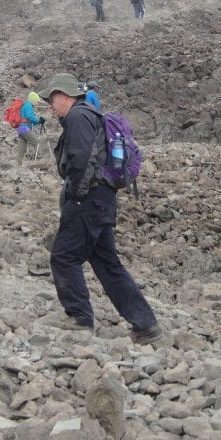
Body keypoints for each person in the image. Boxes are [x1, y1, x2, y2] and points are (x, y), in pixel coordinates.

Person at [38, 72, 162, 342]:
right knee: (107, 263)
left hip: (89, 199)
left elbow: (81, 159)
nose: (50, 106)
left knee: (63, 256)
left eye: (52, 99)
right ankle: (145, 325)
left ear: (65, 95)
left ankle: (79, 318)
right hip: (103, 199)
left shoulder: (78, 116)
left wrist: (76, 196)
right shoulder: (90, 115)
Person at [16, 91, 44, 164]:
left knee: (22, 147)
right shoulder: (28, 105)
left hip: (21, 129)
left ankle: (18, 163)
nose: (37, 103)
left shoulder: (26, 105)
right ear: (33, 100)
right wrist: (39, 120)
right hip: (25, 128)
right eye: (37, 101)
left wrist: (38, 121)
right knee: (36, 141)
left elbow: (29, 119)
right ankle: (40, 159)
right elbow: (29, 116)